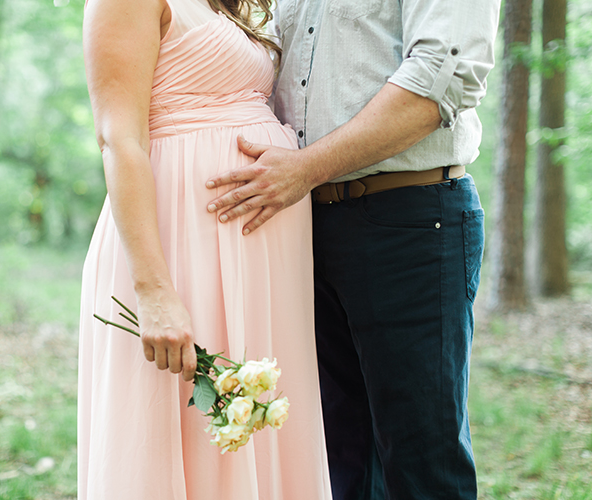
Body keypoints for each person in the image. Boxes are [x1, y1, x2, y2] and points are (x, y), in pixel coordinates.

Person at [204, 1, 502, 498]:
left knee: (420, 457)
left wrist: (305, 168)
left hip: (408, 219)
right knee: (339, 459)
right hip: (303, 226)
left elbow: (443, 78)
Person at [77, 0, 332, 498]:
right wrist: (152, 289)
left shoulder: (223, 4)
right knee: (183, 422)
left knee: (253, 419)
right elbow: (119, 139)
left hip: (255, 260)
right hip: (178, 244)